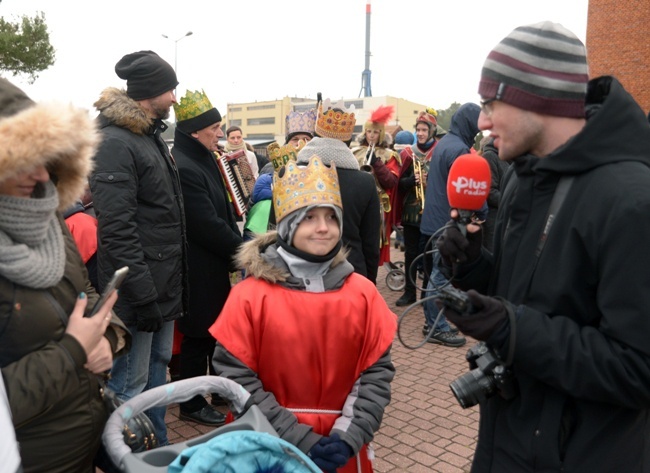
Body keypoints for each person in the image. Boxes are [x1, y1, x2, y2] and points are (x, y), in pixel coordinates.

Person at [435, 22, 650, 472]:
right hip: (508, 444)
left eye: (492, 103)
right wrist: (474, 267)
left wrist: (512, 330)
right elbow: (527, 295)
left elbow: (636, 369)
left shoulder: (633, 199)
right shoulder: (523, 178)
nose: (483, 121)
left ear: (536, 97)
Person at [211, 154, 397, 472]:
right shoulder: (250, 296)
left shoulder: (362, 293)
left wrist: (348, 436)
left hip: (342, 446)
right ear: (287, 224)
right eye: (309, 217)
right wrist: (298, 438)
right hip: (267, 443)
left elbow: (375, 375)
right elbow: (237, 380)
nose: (323, 228)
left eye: (331, 217)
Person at [0, 77, 130, 472]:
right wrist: (73, 349)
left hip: (82, 439)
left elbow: (83, 292)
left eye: (46, 158)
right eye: (22, 158)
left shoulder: (46, 217)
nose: (41, 176)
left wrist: (108, 336)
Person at [90, 50, 187, 446]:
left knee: (156, 374)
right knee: (129, 385)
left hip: (160, 285)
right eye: (170, 89)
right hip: (138, 291)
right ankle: (127, 458)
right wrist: (143, 296)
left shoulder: (147, 137)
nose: (175, 98)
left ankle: (156, 451)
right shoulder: (116, 142)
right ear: (150, 93)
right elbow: (117, 230)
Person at [171, 90, 243, 426]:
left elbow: (223, 213)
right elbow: (206, 225)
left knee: (214, 334)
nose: (219, 132)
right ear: (193, 132)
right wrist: (243, 251)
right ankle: (190, 402)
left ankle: (216, 391)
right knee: (198, 337)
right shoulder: (186, 166)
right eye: (214, 127)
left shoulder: (203, 158)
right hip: (198, 267)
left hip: (213, 264)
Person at [417, 103, 484, 348]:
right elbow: (466, 189)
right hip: (445, 222)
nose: (478, 133)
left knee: (437, 275)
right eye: (476, 128)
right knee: (440, 276)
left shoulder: (445, 143)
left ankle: (433, 322)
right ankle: (436, 327)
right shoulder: (459, 150)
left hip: (434, 220)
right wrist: (481, 211)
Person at [297, 98, 381, 284]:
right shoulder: (365, 182)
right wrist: (369, 283)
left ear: (315, 134)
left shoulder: (290, 174)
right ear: (348, 140)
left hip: (300, 273)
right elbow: (371, 244)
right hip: (351, 275)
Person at [394, 110, 441, 307]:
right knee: (411, 253)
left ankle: (426, 295)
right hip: (411, 213)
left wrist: (431, 182)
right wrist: (411, 181)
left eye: (424, 130)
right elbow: (399, 184)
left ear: (431, 131)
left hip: (431, 213)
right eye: (418, 129)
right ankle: (409, 292)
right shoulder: (407, 153)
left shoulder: (440, 151)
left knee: (428, 254)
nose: (420, 133)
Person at [352, 105, 401, 267]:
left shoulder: (390, 155)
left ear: (381, 134)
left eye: (376, 132)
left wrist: (376, 163)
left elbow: (391, 182)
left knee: (373, 244)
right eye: (369, 132)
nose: (372, 136)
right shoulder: (354, 152)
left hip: (378, 204)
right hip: (357, 201)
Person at [477, 135, 509, 252]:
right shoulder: (490, 156)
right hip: (493, 221)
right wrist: (512, 201)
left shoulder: (508, 157)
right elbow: (490, 191)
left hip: (505, 219)